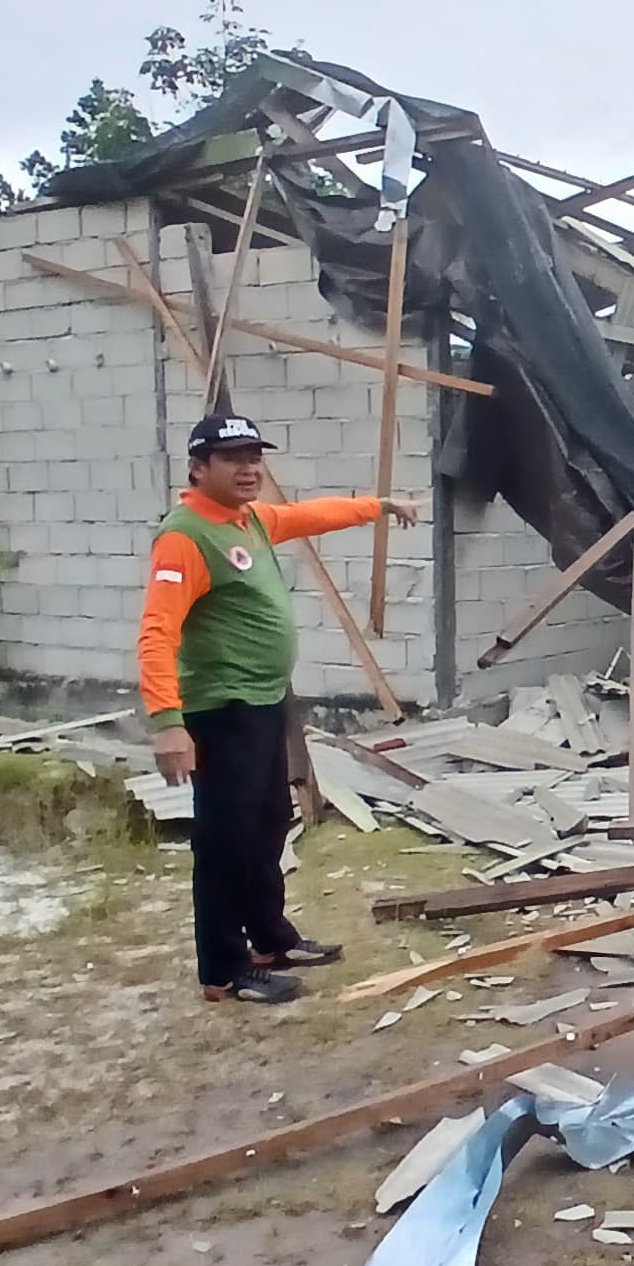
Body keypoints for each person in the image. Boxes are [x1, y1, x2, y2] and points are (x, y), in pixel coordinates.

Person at [137, 413, 422, 1003]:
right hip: (221, 710)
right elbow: (157, 632)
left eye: (254, 456)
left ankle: (270, 937)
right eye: (233, 458)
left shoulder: (248, 521)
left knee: (267, 823)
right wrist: (168, 723)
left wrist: (380, 505)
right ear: (198, 467)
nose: (249, 468)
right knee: (224, 841)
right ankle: (223, 970)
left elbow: (307, 516)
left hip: (263, 702)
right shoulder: (185, 536)